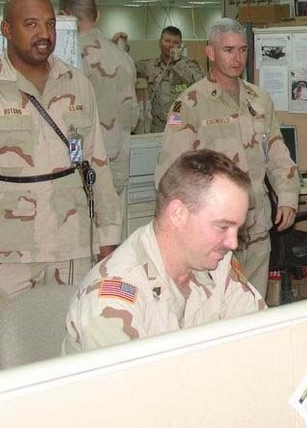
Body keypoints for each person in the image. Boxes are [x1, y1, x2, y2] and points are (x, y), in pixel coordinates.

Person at [0, 0, 120, 372]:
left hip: (72, 252)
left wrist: (109, 244)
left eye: (51, 24)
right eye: (31, 24)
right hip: (6, 260)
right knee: (3, 362)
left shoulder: (78, 85)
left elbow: (98, 167)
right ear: (7, 29)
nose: (44, 33)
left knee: (71, 354)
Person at [64, 149, 264, 354]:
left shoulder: (216, 263)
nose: (232, 243)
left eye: (236, 229)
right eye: (222, 227)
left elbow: (263, 340)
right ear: (178, 214)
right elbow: (131, 385)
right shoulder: (112, 300)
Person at [154, 18, 298, 297]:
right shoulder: (190, 105)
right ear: (210, 53)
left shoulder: (259, 100)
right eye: (228, 50)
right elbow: (169, 175)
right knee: (211, 312)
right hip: (211, 235)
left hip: (256, 230)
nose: (237, 58)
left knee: (252, 309)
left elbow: (278, 154)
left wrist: (288, 196)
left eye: (243, 50)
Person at [60, 0, 140, 226]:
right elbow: (132, 117)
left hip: (84, 166)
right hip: (117, 160)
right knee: (113, 234)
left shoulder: (70, 59)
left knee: (83, 237)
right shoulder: (122, 56)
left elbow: (65, 121)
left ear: (64, 16)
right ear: (98, 15)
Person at [121, 25, 204, 133]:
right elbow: (126, 69)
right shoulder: (149, 66)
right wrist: (121, 48)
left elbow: (200, 83)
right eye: (167, 41)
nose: (171, 45)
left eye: (175, 42)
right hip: (157, 127)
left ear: (181, 45)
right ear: (160, 43)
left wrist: (177, 62)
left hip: (183, 126)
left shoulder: (189, 65)